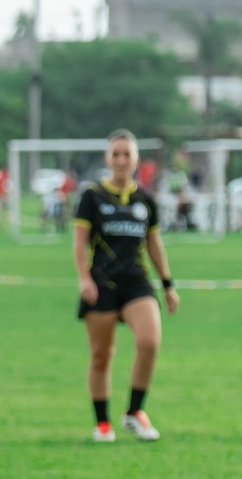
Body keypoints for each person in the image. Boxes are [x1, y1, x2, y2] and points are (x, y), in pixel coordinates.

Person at [74, 130, 178, 443]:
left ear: (135, 160)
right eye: (115, 154)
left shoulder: (145, 199)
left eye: (126, 155)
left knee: (149, 342)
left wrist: (168, 284)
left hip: (136, 282)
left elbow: (154, 243)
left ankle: (134, 412)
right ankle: (102, 422)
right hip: (101, 283)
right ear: (108, 158)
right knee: (101, 355)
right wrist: (83, 278)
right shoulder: (92, 196)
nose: (121, 160)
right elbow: (79, 242)